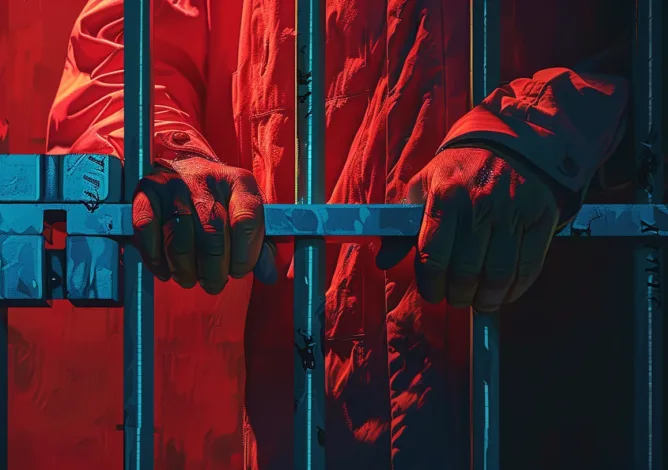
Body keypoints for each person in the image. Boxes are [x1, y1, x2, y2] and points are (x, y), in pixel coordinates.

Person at [47, 0, 632, 468]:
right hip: (315, 412)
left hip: (561, 398)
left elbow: (644, 44)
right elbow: (124, 45)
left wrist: (538, 130)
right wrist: (166, 152)